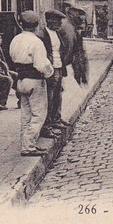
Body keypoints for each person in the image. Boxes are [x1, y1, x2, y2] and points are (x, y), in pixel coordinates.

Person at [10, 10, 54, 156]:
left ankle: (26, 145)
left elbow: (11, 57)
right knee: (39, 115)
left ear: (21, 25)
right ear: (36, 25)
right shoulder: (36, 42)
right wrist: (50, 73)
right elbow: (41, 65)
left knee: (26, 114)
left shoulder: (15, 40)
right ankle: (29, 146)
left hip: (21, 80)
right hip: (35, 80)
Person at [36, 10, 70, 138]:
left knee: (58, 95)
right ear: (49, 21)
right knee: (48, 98)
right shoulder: (42, 35)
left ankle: (56, 119)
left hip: (59, 67)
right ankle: (47, 125)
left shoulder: (57, 34)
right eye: (57, 21)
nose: (60, 24)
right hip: (50, 69)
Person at [63, 2, 89, 86]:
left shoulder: (73, 28)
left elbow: (80, 54)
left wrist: (82, 75)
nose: (82, 18)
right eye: (79, 14)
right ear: (71, 13)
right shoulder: (66, 28)